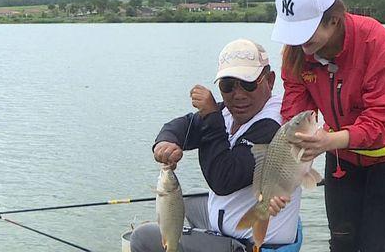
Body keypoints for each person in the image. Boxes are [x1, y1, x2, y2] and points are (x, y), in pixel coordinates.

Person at [268, 0, 385, 252]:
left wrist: (328, 141)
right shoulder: (297, 51)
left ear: (334, 20)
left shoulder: (374, 41)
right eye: (293, 33)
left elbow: (383, 122)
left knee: (374, 244)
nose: (299, 44)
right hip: (343, 155)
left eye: (305, 33)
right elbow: (295, 111)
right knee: (341, 241)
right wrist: (285, 176)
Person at [130, 39, 303, 252]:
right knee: (186, 199)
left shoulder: (275, 125)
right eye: (228, 86)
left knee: (141, 237)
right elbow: (184, 126)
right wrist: (165, 143)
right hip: (228, 223)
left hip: (252, 244)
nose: (238, 95)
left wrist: (211, 116)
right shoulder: (230, 111)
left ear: (270, 80)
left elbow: (223, 178)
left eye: (248, 84)